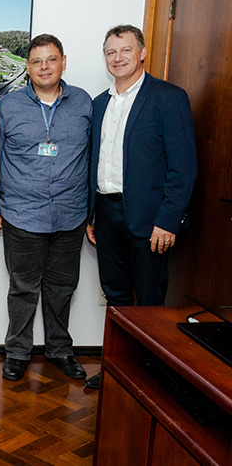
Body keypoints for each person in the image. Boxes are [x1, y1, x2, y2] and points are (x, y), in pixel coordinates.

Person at [84, 24, 197, 389]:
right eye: (111, 52)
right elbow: (95, 162)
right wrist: (92, 214)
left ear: (142, 52)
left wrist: (169, 220)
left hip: (150, 220)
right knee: (115, 297)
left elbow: (184, 166)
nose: (118, 58)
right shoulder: (99, 104)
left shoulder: (168, 97)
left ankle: (151, 377)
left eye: (125, 50)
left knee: (149, 301)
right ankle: (118, 370)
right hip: (106, 214)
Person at [0, 34, 92, 382]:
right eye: (36, 61)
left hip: (70, 213)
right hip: (22, 213)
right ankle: (17, 352)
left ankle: (60, 350)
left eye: (51, 59)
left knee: (63, 287)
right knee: (22, 288)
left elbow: (93, 159)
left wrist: (92, 211)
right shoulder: (7, 107)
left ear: (63, 61)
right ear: (27, 67)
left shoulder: (84, 103)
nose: (44, 67)